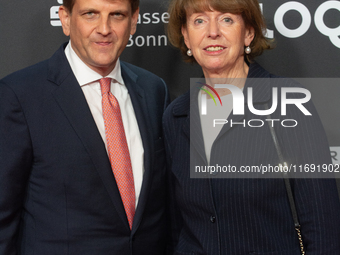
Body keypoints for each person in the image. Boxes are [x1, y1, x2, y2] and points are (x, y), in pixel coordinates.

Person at [163, 0, 340, 254]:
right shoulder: (176, 117)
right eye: (199, 20)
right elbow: (175, 228)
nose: (212, 31)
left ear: (248, 32)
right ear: (186, 37)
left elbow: (323, 227)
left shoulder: (288, 102)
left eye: (226, 19)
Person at [0, 0, 169, 254]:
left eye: (117, 15)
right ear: (66, 19)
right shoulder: (20, 95)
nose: (104, 28)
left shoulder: (153, 89)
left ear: (134, 21)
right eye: (90, 14)